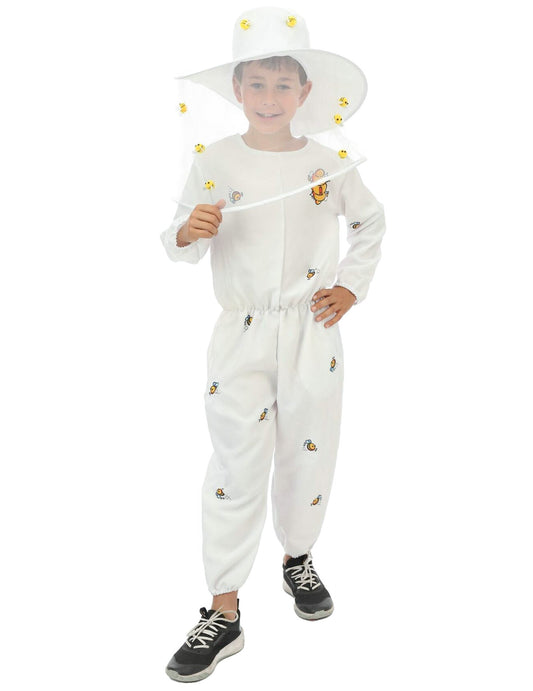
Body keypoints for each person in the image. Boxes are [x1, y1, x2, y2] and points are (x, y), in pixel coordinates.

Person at [160, 6, 386, 683]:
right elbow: (178, 240)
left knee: (310, 446)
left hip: (312, 329)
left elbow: (370, 221)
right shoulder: (214, 159)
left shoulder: (328, 161)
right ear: (237, 89)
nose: (268, 97)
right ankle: (224, 607)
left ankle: (298, 557)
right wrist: (190, 230)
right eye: (255, 84)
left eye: (282, 84)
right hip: (242, 335)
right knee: (236, 458)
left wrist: (350, 287)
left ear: (304, 90)